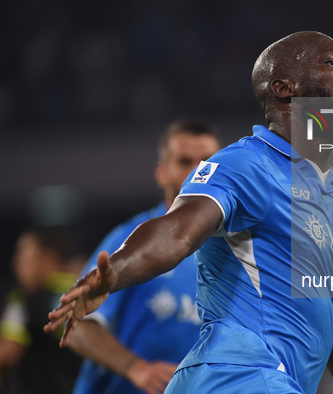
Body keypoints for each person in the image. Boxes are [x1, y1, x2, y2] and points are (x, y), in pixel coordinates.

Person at [46, 31, 333, 394]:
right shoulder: (249, 163)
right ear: (285, 89)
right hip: (241, 377)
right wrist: (114, 275)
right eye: (331, 63)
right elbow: (176, 231)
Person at [67, 119, 221, 394]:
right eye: (185, 161)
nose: (199, 171)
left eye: (207, 161)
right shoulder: (129, 239)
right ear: (162, 173)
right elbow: (79, 326)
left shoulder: (236, 251)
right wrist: (135, 368)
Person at [0, 226, 82, 393]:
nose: (16, 262)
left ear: (49, 259)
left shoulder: (22, 300)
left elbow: (7, 355)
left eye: (24, 256)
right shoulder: (85, 292)